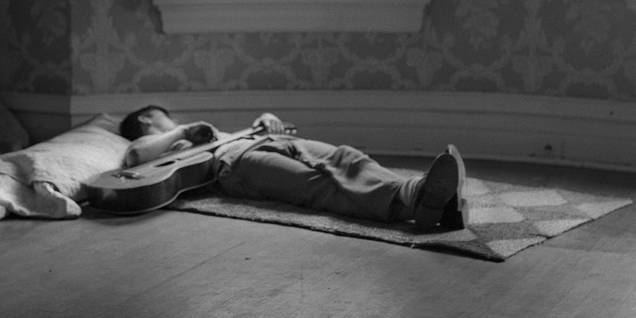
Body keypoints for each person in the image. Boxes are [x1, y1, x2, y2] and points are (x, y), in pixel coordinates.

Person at [119, 105, 468, 230]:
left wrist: (266, 119)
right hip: (234, 164)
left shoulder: (196, 131)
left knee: (345, 157)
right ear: (148, 118)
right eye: (165, 116)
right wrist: (181, 131)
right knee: (316, 185)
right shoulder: (158, 144)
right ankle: (421, 199)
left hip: (258, 139)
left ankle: (426, 198)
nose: (173, 119)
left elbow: (249, 129)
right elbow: (134, 155)